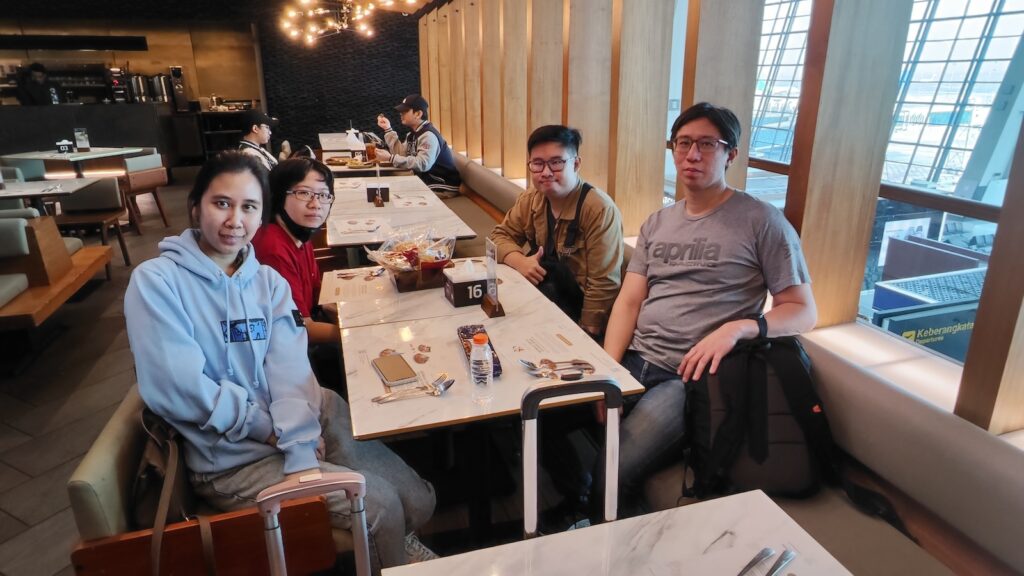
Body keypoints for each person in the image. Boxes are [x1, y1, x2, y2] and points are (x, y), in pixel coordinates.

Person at [123, 151, 437, 571]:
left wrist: (299, 441)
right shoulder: (157, 282)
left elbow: (289, 368)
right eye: (222, 203)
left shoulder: (267, 283)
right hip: (230, 456)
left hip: (292, 421)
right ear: (195, 206)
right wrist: (276, 436)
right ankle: (391, 546)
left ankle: (397, 537)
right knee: (379, 506)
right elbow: (182, 390)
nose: (235, 220)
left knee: (418, 499)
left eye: (249, 207)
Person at [602, 102, 817, 513]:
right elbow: (629, 301)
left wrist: (739, 328)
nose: (692, 155)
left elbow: (802, 310)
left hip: (689, 381)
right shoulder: (658, 222)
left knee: (614, 466)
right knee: (543, 421)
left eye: (706, 144)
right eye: (683, 143)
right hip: (633, 362)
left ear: (730, 154)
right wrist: (608, 371)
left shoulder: (762, 222)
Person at [490, 124, 624, 337]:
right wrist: (521, 262)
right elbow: (499, 236)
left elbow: (604, 283)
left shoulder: (599, 209)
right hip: (540, 299)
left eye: (556, 163)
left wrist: (587, 333)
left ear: (576, 163)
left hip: (577, 312)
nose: (546, 172)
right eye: (538, 164)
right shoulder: (531, 199)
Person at [252, 158, 344, 392]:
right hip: (283, 357)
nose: (316, 204)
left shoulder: (299, 233)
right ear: (278, 195)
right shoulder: (273, 247)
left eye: (324, 195)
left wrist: (347, 311)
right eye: (304, 193)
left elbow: (317, 291)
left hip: (305, 326)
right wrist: (352, 332)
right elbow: (302, 328)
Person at [375, 94, 461, 198]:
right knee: (390, 180)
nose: (401, 114)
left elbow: (423, 164)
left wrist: (390, 158)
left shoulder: (428, 135)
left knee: (395, 193)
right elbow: (401, 154)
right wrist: (388, 129)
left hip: (442, 185)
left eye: (405, 111)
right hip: (427, 179)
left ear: (418, 114)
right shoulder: (413, 134)